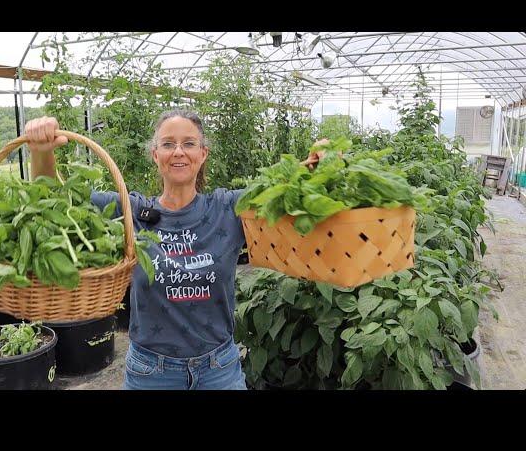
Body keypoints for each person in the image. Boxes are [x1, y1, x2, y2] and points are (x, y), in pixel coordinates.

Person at [25, 109, 325, 390]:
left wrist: (318, 160)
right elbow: (54, 200)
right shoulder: (130, 211)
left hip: (218, 369)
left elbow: (280, 188)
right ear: (156, 155)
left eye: (189, 143)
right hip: (151, 373)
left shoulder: (228, 208)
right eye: (168, 144)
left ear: (202, 154)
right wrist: (41, 151)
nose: (179, 152)